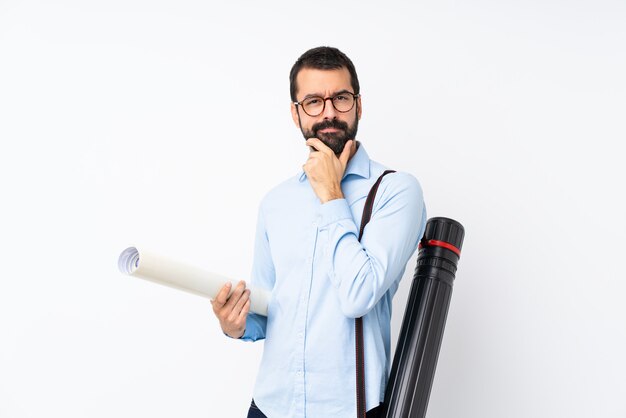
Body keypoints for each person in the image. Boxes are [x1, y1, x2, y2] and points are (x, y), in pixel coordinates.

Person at [211, 46, 426, 418]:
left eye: (340, 98)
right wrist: (236, 323)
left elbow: (359, 294)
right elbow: (268, 308)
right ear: (296, 114)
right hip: (270, 406)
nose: (328, 112)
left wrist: (331, 194)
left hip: (349, 410)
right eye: (313, 101)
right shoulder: (275, 202)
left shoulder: (396, 191)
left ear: (359, 106)